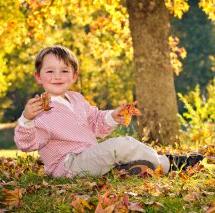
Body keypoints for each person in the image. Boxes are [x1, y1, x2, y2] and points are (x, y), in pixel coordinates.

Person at [14, 45, 202, 178]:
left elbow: (95, 120)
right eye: (50, 71)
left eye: (64, 71)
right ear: (38, 77)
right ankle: (170, 164)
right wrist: (26, 119)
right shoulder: (38, 109)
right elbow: (27, 143)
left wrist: (112, 116)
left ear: (74, 76)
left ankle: (130, 169)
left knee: (119, 150)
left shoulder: (76, 99)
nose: (57, 76)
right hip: (68, 165)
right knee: (121, 145)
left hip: (89, 156)